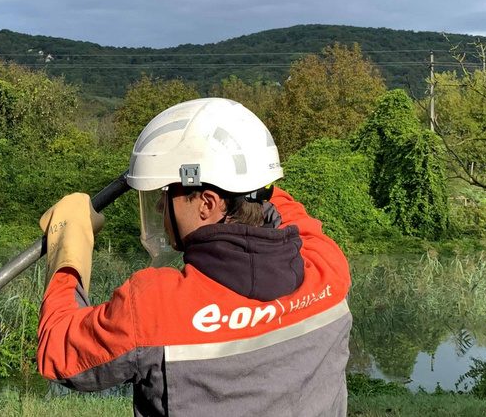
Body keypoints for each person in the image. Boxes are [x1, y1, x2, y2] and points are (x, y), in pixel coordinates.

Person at [36, 97, 352, 416]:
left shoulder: (153, 308)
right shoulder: (325, 263)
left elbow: (60, 351)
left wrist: (68, 245)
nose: (160, 207)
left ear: (207, 203)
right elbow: (280, 206)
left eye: (166, 194)